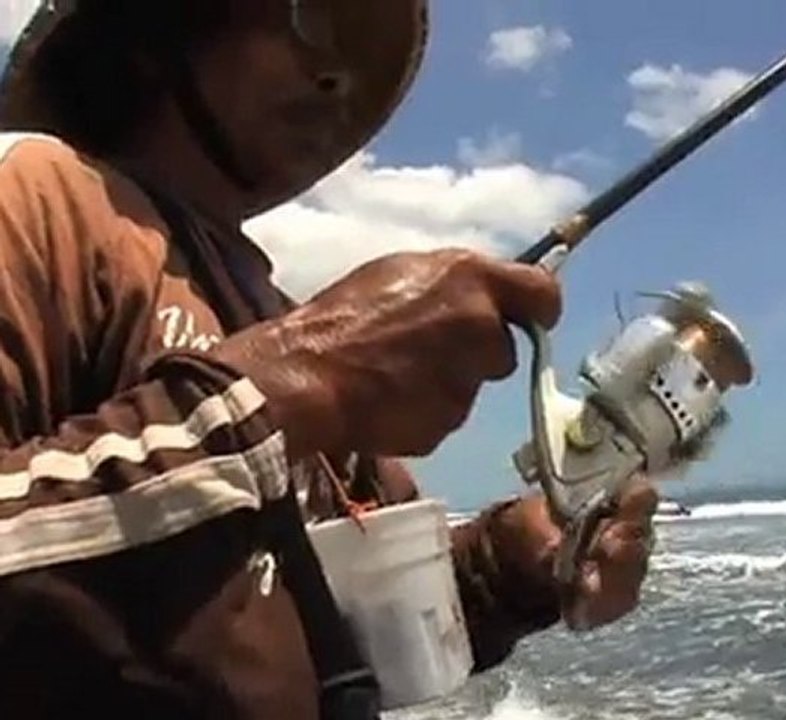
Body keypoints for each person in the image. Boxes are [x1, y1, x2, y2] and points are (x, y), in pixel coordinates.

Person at [0, 1, 659, 718]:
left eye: (354, 57)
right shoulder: (37, 197)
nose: (338, 78)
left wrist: (511, 561)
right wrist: (289, 389)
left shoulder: (277, 309)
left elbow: (360, 634)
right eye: (306, 20)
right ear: (151, 43)